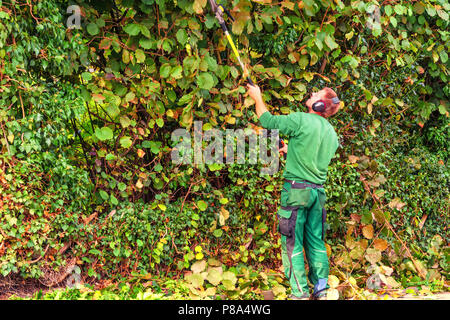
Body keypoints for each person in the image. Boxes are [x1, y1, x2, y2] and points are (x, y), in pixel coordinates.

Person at [246, 84, 340, 300]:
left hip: (297, 191)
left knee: (292, 242)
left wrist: (257, 97)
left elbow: (267, 120)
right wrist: (291, 150)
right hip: (317, 194)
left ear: (319, 104)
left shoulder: (301, 120)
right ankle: (321, 291)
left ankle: (299, 294)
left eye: (316, 95)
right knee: (316, 242)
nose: (312, 94)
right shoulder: (331, 133)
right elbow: (312, 155)